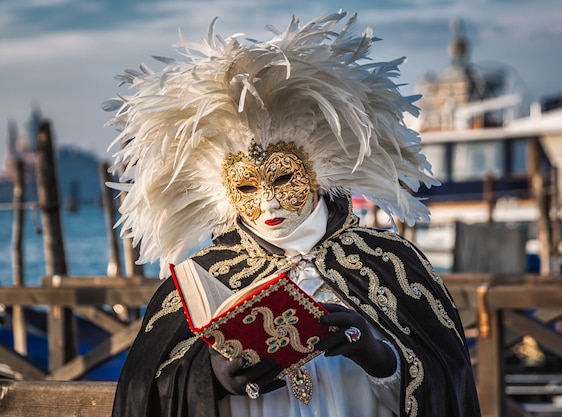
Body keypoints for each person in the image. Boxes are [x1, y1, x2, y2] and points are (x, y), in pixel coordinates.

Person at [104, 11, 481, 417]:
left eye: (283, 178)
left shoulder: (389, 266)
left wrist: (382, 360)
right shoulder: (203, 281)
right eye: (247, 187)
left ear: (316, 171)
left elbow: (450, 383)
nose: (268, 203)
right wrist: (208, 379)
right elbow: (143, 394)